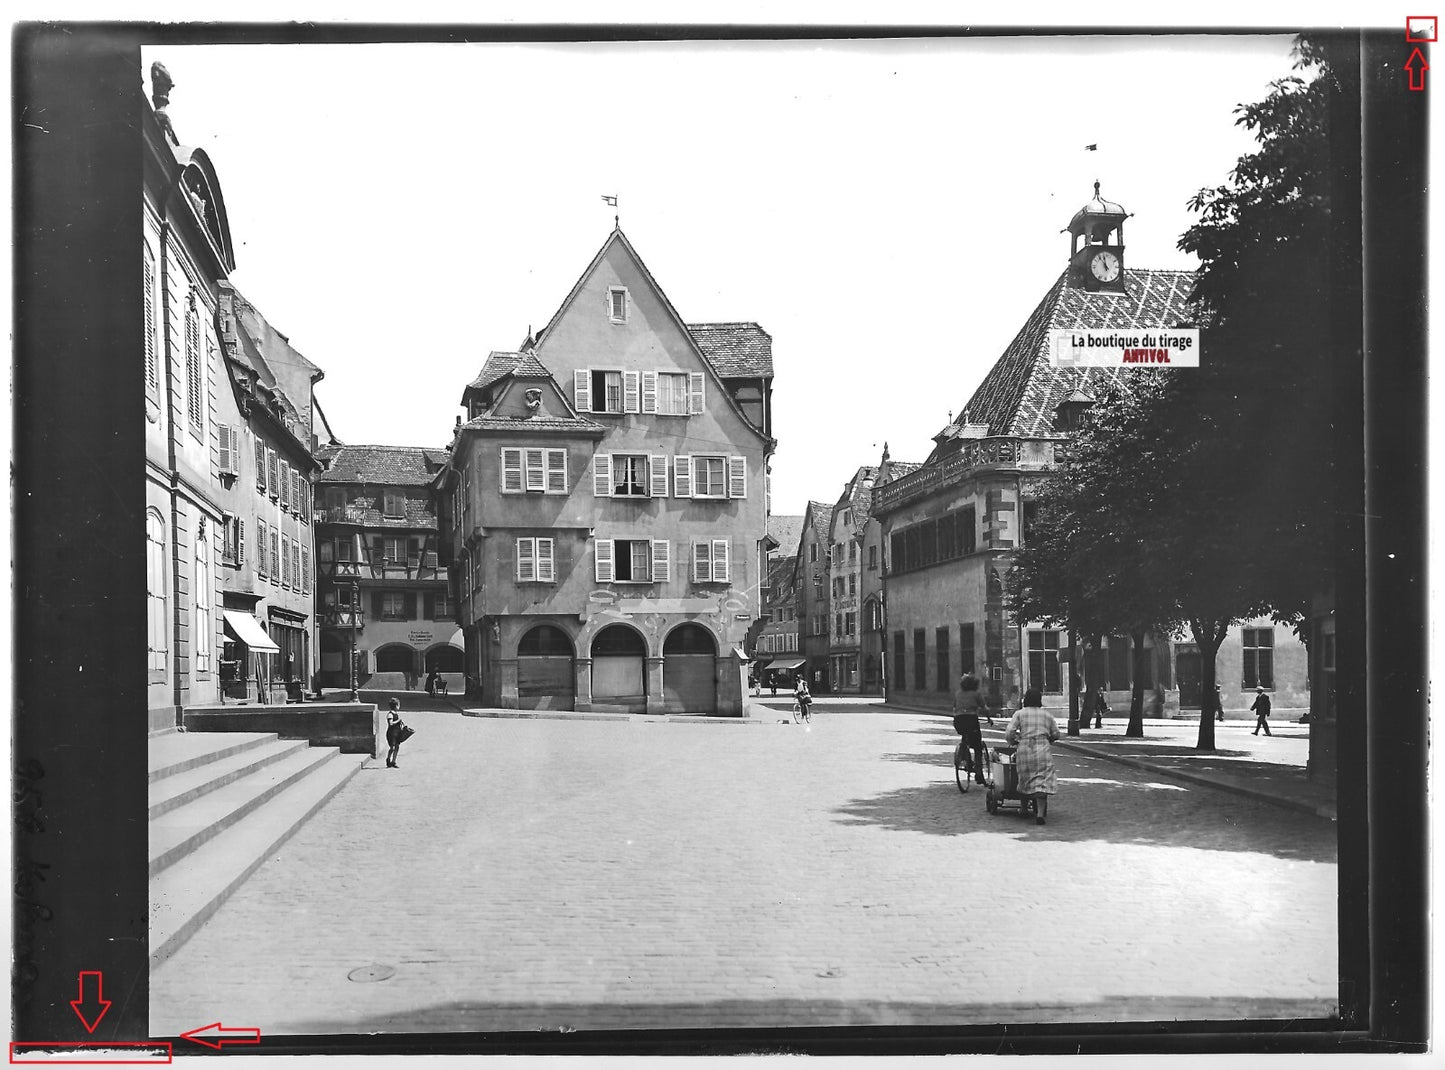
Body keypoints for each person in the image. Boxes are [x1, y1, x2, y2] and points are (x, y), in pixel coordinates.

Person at [1005, 688, 1060, 825]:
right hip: (1043, 750)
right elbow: (1056, 733)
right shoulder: (1047, 715)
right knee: (1042, 781)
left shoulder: (1020, 714)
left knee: (1024, 779)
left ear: (1026, 699)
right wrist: (1050, 739)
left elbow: (1009, 732)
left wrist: (1013, 741)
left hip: (1025, 749)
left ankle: (1023, 809)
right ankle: (1040, 814)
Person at [952, 673, 990, 784]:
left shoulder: (958, 693)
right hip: (971, 720)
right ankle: (979, 773)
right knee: (978, 747)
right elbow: (985, 708)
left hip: (958, 721)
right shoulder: (976, 694)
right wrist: (989, 718)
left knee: (964, 736)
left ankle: (965, 757)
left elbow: (954, 707)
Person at [384, 698, 414, 768]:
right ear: (396, 706)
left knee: (397, 746)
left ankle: (393, 761)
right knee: (392, 747)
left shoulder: (395, 713)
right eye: (398, 705)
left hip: (397, 733)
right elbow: (390, 724)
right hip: (391, 734)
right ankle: (388, 759)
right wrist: (398, 721)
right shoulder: (390, 714)